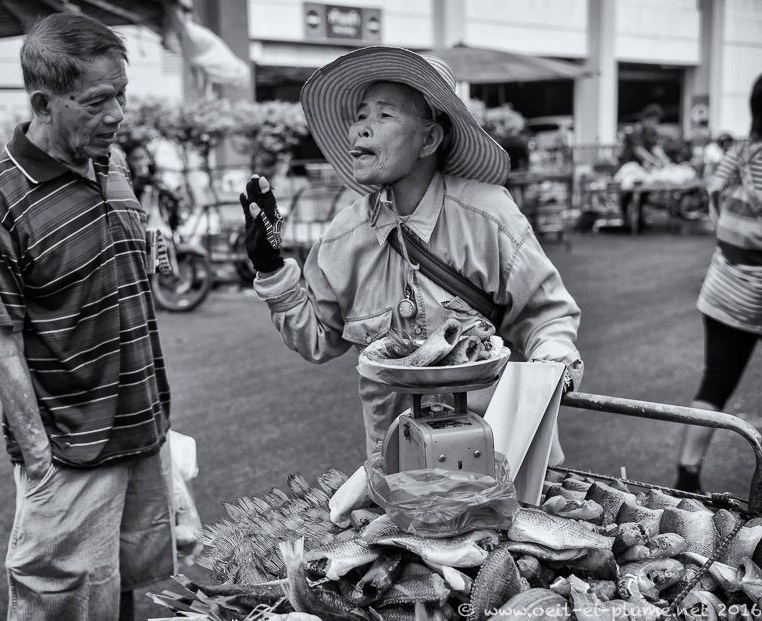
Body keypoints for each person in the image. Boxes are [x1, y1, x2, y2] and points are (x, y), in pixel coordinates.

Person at [239, 46, 584, 458]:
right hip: (400, 472)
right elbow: (317, 339)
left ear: (429, 139)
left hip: (503, 457)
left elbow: (548, 315)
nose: (361, 131)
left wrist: (551, 368)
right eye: (360, 116)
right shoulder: (343, 237)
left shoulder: (487, 214)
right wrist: (271, 268)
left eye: (384, 116)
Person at [0, 14, 175, 620]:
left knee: (124, 589)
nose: (117, 116)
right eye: (98, 101)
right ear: (42, 103)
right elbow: (0, 344)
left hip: (142, 427)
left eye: (122, 96)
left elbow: (108, 258)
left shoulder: (110, 163)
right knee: (64, 607)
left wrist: (148, 251)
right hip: (71, 448)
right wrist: (39, 462)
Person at [675, 73, 762, 494]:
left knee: (715, 383)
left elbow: (714, 197)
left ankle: (687, 471)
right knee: (717, 382)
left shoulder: (742, 152)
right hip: (751, 289)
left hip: (724, 284)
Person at [617, 103, 671, 232]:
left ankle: (639, 220)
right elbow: (639, 150)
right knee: (628, 194)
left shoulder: (651, 133)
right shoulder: (635, 131)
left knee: (644, 192)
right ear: (646, 119)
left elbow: (656, 148)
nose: (654, 124)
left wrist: (665, 160)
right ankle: (625, 219)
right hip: (628, 167)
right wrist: (654, 161)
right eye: (653, 121)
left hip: (641, 170)